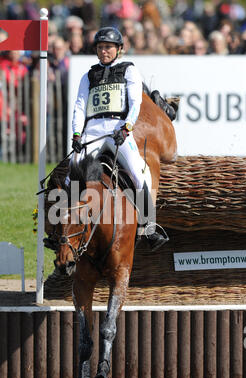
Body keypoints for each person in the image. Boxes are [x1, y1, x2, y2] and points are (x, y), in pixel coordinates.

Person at [68, 26, 168, 250]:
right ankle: (64, 226)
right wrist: (76, 134)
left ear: (119, 49)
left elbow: (135, 102)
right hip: (92, 130)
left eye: (108, 47)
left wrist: (127, 127)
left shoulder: (129, 70)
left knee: (137, 171)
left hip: (117, 129)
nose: (104, 51)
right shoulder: (89, 75)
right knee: (72, 171)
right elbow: (79, 107)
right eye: (100, 47)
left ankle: (149, 225)